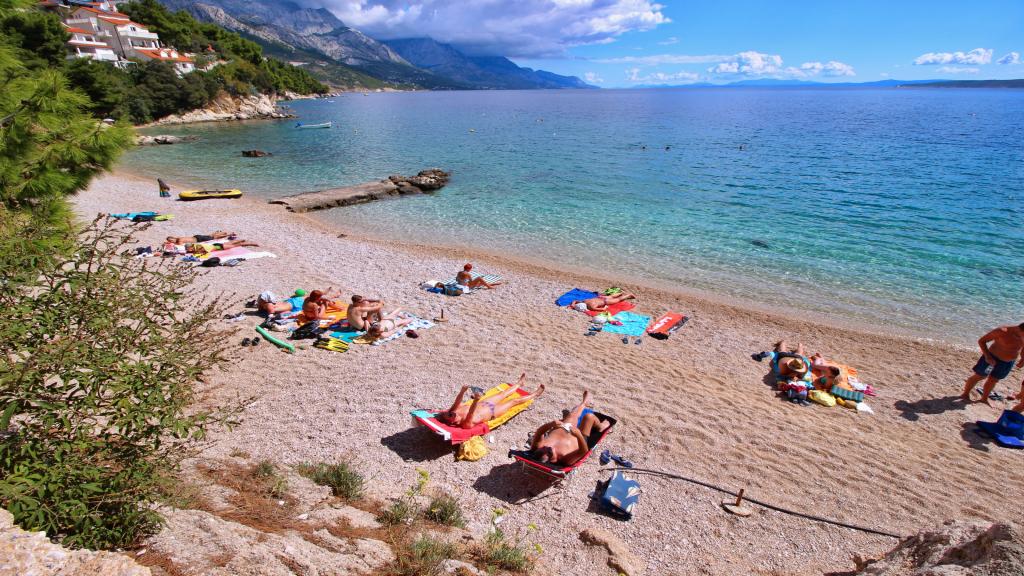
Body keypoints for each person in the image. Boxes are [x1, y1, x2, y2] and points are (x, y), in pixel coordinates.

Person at [529, 389, 609, 466]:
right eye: (549, 452)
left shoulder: (538, 447)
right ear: (550, 460)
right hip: (578, 436)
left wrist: (550, 424)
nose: (547, 447)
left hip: (564, 427)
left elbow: (539, 431)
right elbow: (583, 451)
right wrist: (578, 434)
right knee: (589, 417)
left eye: (544, 448)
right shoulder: (565, 459)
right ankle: (600, 426)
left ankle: (584, 403)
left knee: (572, 415)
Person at [436, 373, 544, 429]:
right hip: (493, 411)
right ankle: (535, 394)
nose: (450, 412)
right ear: (451, 422)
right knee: (513, 401)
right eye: (449, 415)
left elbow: (457, 402)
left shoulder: (454, 411)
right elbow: (471, 413)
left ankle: (519, 384)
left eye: (448, 413)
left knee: (503, 394)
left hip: (484, 403)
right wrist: (475, 400)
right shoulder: (465, 424)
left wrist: (462, 391)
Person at [960, 322, 1024, 405]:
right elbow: (982, 341)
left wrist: (1022, 358)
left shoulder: (1022, 335)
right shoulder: (1002, 331)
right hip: (992, 358)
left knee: (994, 380)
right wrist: (988, 357)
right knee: (980, 376)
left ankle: (984, 399)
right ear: (1021, 330)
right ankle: (965, 394)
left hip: (1008, 363)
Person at [570, 291, 637, 313]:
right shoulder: (585, 301)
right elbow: (575, 300)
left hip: (605, 301)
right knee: (611, 296)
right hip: (601, 298)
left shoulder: (591, 307)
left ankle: (629, 295)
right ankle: (620, 293)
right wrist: (573, 304)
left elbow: (602, 309)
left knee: (618, 299)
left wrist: (605, 307)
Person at [165, 231, 235, 245]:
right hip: (196, 237)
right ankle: (222, 232)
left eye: (171, 240)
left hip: (198, 239)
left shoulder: (179, 240)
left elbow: (180, 245)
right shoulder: (178, 238)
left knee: (213, 238)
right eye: (170, 241)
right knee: (210, 235)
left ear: (173, 238)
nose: (172, 241)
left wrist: (169, 244)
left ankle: (229, 234)